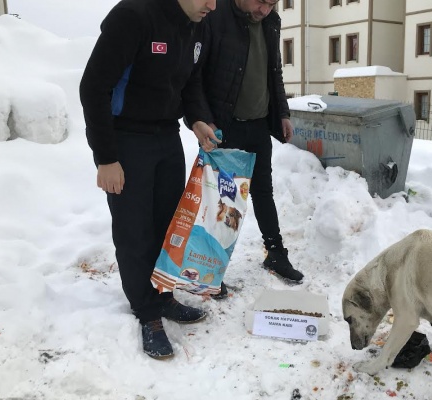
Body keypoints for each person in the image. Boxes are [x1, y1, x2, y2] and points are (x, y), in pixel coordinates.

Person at [79, 0, 221, 360]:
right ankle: (147, 312)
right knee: (135, 230)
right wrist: (106, 158)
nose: (212, 5)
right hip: (126, 139)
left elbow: (191, 83)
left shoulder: (198, 24)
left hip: (166, 136)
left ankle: (163, 296)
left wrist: (198, 120)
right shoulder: (134, 16)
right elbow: (93, 87)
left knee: (168, 225)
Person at [188, 0, 303, 299]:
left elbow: (273, 72)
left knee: (264, 191)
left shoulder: (270, 21)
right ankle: (210, 268)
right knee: (222, 198)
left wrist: (283, 114)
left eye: (272, 3)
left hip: (259, 124)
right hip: (223, 126)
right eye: (260, 1)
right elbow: (194, 74)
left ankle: (275, 253)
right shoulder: (215, 16)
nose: (265, 9)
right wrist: (202, 119)